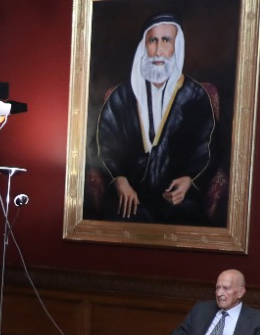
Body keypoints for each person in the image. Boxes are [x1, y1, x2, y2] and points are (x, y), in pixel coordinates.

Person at [91, 12, 218, 225]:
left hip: (177, 199)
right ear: (144, 46)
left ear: (176, 46)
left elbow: (208, 147)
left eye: (166, 40)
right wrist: (119, 180)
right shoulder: (121, 96)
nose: (158, 50)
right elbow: (103, 144)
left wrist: (189, 180)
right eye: (153, 41)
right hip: (129, 197)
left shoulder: (195, 96)